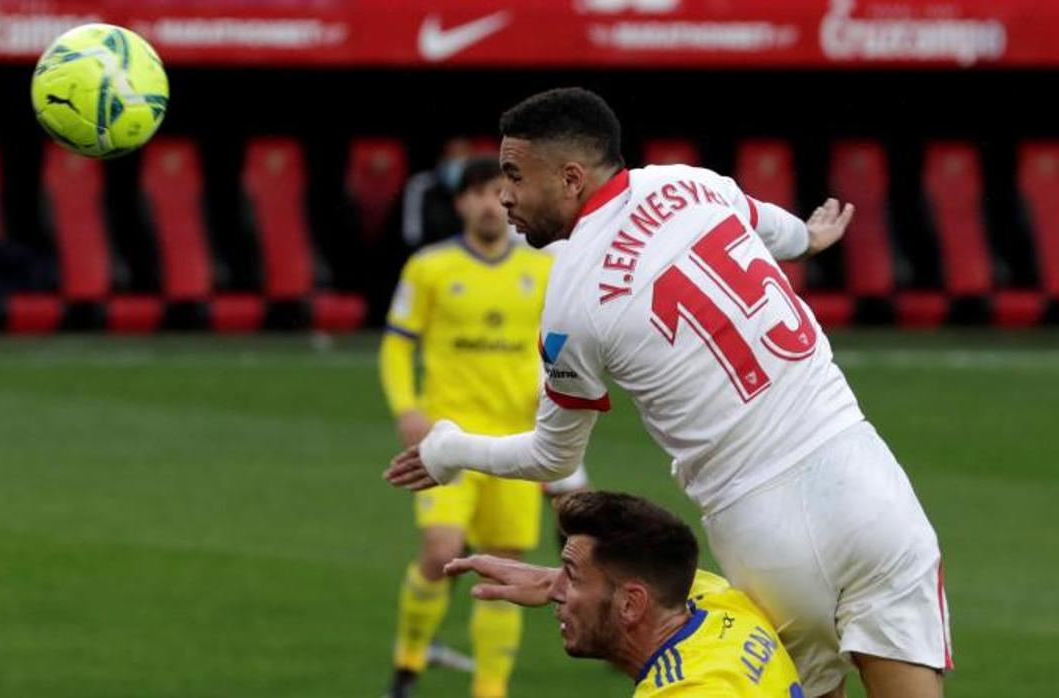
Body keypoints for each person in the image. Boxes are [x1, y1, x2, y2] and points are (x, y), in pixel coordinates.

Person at [386, 87, 950, 698]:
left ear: (571, 178)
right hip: (869, 483)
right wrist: (811, 240)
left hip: (763, 525)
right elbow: (774, 228)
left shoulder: (572, 300)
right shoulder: (692, 183)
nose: (505, 195)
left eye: (515, 175)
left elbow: (555, 459)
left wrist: (449, 451)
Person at [380, 157, 586, 698]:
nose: (490, 204)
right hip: (446, 438)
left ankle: (490, 690)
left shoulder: (543, 269)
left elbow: (563, 341)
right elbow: (397, 345)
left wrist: (554, 394)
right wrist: (406, 409)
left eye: (500, 192)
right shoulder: (429, 268)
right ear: (461, 205)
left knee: (505, 567)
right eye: (477, 193)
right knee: (438, 550)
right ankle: (405, 667)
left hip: (516, 443)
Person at [447, 491, 804, 696]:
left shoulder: (690, 690)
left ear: (631, 605)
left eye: (572, 578)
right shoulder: (721, 603)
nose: (558, 595)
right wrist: (553, 578)